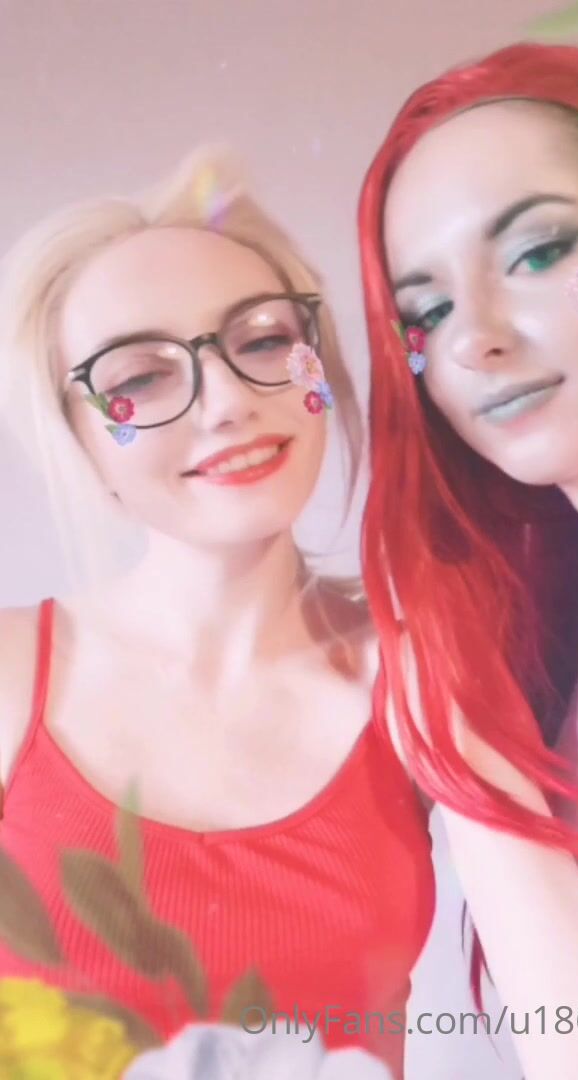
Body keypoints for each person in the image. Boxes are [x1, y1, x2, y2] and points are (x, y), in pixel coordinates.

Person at [0, 149, 435, 1079]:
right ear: (79, 441)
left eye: (265, 340)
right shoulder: (7, 674)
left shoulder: (420, 673)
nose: (230, 400)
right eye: (140, 377)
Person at [357, 42, 578, 1077]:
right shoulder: (553, 648)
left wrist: (470, 778)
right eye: (425, 312)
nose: (472, 338)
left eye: (539, 252)